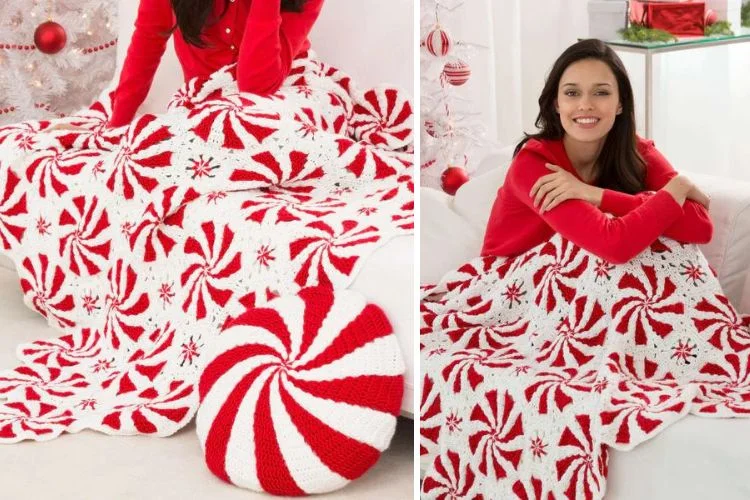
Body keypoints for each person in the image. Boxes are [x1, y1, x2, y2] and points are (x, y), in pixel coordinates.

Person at [481, 38, 713, 265]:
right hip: (508, 283)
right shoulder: (533, 165)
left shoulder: (637, 151)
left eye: (601, 93)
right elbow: (614, 245)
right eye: (572, 93)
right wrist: (677, 189)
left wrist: (594, 194)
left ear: (620, 103)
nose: (585, 105)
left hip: (582, 281)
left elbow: (701, 226)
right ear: (556, 103)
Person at [107, 0, 324, 128]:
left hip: (285, 94)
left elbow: (256, 88)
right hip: (205, 108)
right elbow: (148, 38)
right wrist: (117, 124)